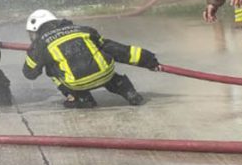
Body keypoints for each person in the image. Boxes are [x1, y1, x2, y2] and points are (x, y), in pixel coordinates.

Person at [22, 9, 160, 108]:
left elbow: (30, 74)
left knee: (51, 69)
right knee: (100, 57)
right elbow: (117, 49)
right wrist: (149, 60)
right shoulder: (83, 30)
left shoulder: (39, 44)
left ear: (36, 29)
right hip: (105, 74)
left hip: (77, 83)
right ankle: (127, 91)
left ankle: (80, 98)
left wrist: (36, 55)